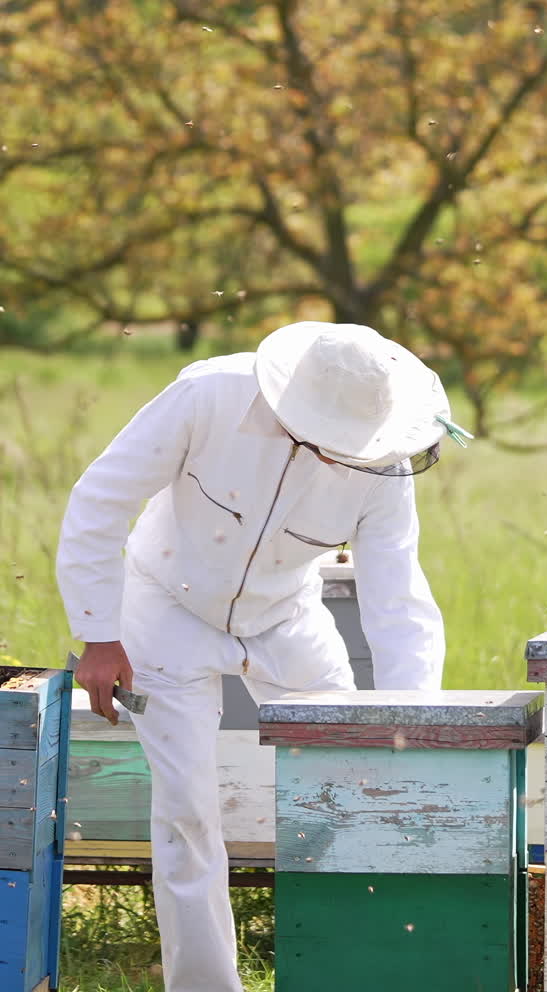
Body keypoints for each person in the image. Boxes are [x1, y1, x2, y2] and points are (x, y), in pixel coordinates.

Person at [56, 321, 469, 992]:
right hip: (164, 608)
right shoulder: (206, 395)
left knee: (353, 785)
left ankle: (351, 972)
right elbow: (100, 501)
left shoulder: (386, 462)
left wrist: (410, 720)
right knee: (187, 812)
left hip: (287, 619)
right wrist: (99, 637)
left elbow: (399, 600)